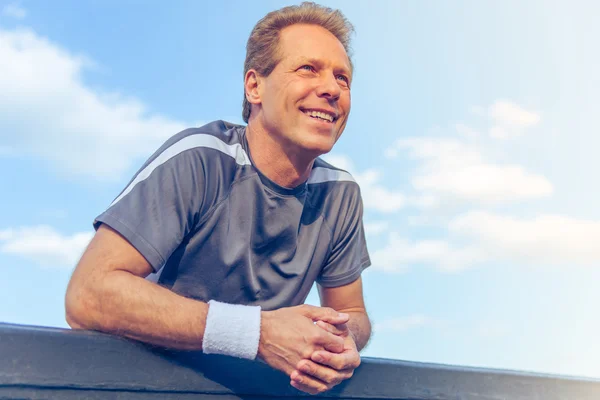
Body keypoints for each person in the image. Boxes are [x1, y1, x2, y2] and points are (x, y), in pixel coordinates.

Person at [65, 2, 371, 395]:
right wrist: (257, 334)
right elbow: (87, 294)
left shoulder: (340, 194)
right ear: (254, 86)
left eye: (343, 78)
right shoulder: (200, 159)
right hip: (143, 386)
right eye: (308, 68)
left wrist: (345, 341)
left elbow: (352, 313)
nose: (332, 88)